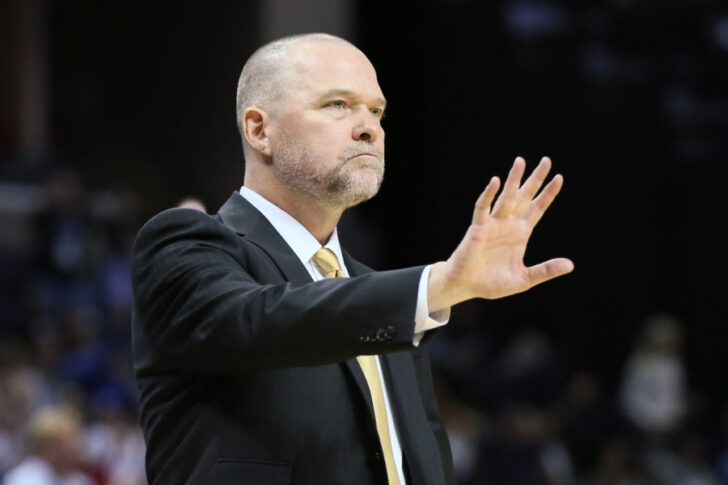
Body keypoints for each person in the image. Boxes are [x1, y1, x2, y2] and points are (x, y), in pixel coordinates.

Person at [131, 32, 573, 485]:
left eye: (377, 110)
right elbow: (257, 321)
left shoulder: (384, 297)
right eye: (337, 104)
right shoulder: (186, 243)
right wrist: (437, 286)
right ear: (260, 130)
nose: (369, 127)